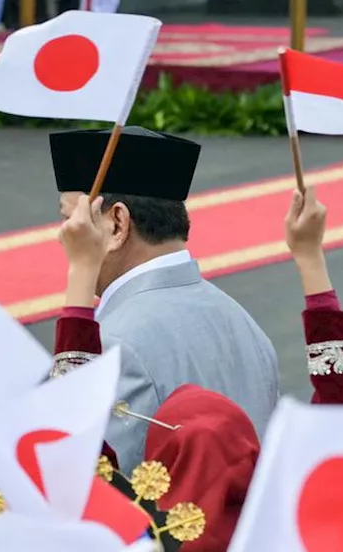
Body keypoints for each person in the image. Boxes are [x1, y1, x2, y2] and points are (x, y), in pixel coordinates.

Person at [50, 126, 280, 471]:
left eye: (71, 219)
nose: (61, 237)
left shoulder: (115, 343)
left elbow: (81, 482)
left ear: (117, 224)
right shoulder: (246, 325)